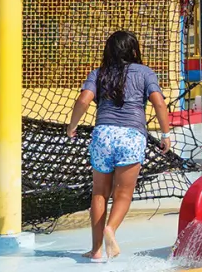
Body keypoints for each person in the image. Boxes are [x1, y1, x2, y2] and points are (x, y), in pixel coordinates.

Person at [66, 30, 173, 262]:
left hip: (103, 135)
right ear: (134, 50)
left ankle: (95, 250)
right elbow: (159, 104)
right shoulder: (144, 73)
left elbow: (84, 100)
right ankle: (111, 229)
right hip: (131, 136)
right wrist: (166, 134)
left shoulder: (99, 73)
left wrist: (72, 126)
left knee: (99, 193)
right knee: (123, 194)